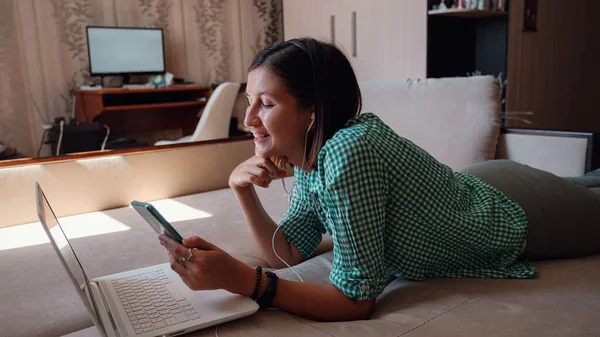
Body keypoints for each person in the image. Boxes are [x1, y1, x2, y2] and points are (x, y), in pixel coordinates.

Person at [159, 38, 600, 322]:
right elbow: (287, 251)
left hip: (509, 210)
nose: (249, 118)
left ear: (313, 109)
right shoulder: (312, 161)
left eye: (267, 104)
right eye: (250, 102)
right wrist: (241, 189)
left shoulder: (349, 152)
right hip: (476, 188)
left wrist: (245, 281)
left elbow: (356, 300)